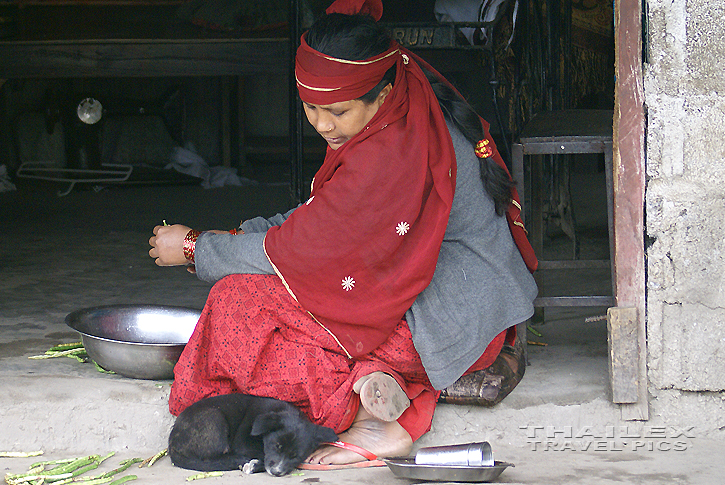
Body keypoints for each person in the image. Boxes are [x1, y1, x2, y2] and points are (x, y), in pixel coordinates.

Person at [148, 0, 537, 468]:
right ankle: (369, 379)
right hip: (459, 294)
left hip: (446, 318)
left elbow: (305, 250)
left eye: (336, 110)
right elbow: (320, 219)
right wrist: (236, 236)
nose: (321, 124)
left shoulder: (388, 152)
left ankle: (371, 416)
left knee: (236, 311)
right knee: (254, 298)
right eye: (310, 106)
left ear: (380, 93)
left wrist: (196, 248)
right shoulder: (400, 102)